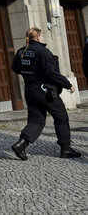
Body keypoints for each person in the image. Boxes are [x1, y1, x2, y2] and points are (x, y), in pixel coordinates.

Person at [10, 27, 81, 159]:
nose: (42, 38)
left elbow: (15, 68)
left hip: (30, 90)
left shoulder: (21, 51)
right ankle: (66, 149)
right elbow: (51, 73)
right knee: (61, 117)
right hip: (45, 91)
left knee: (36, 120)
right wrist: (68, 84)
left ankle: (20, 144)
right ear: (38, 37)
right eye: (41, 36)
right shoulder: (42, 51)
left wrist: (31, 73)